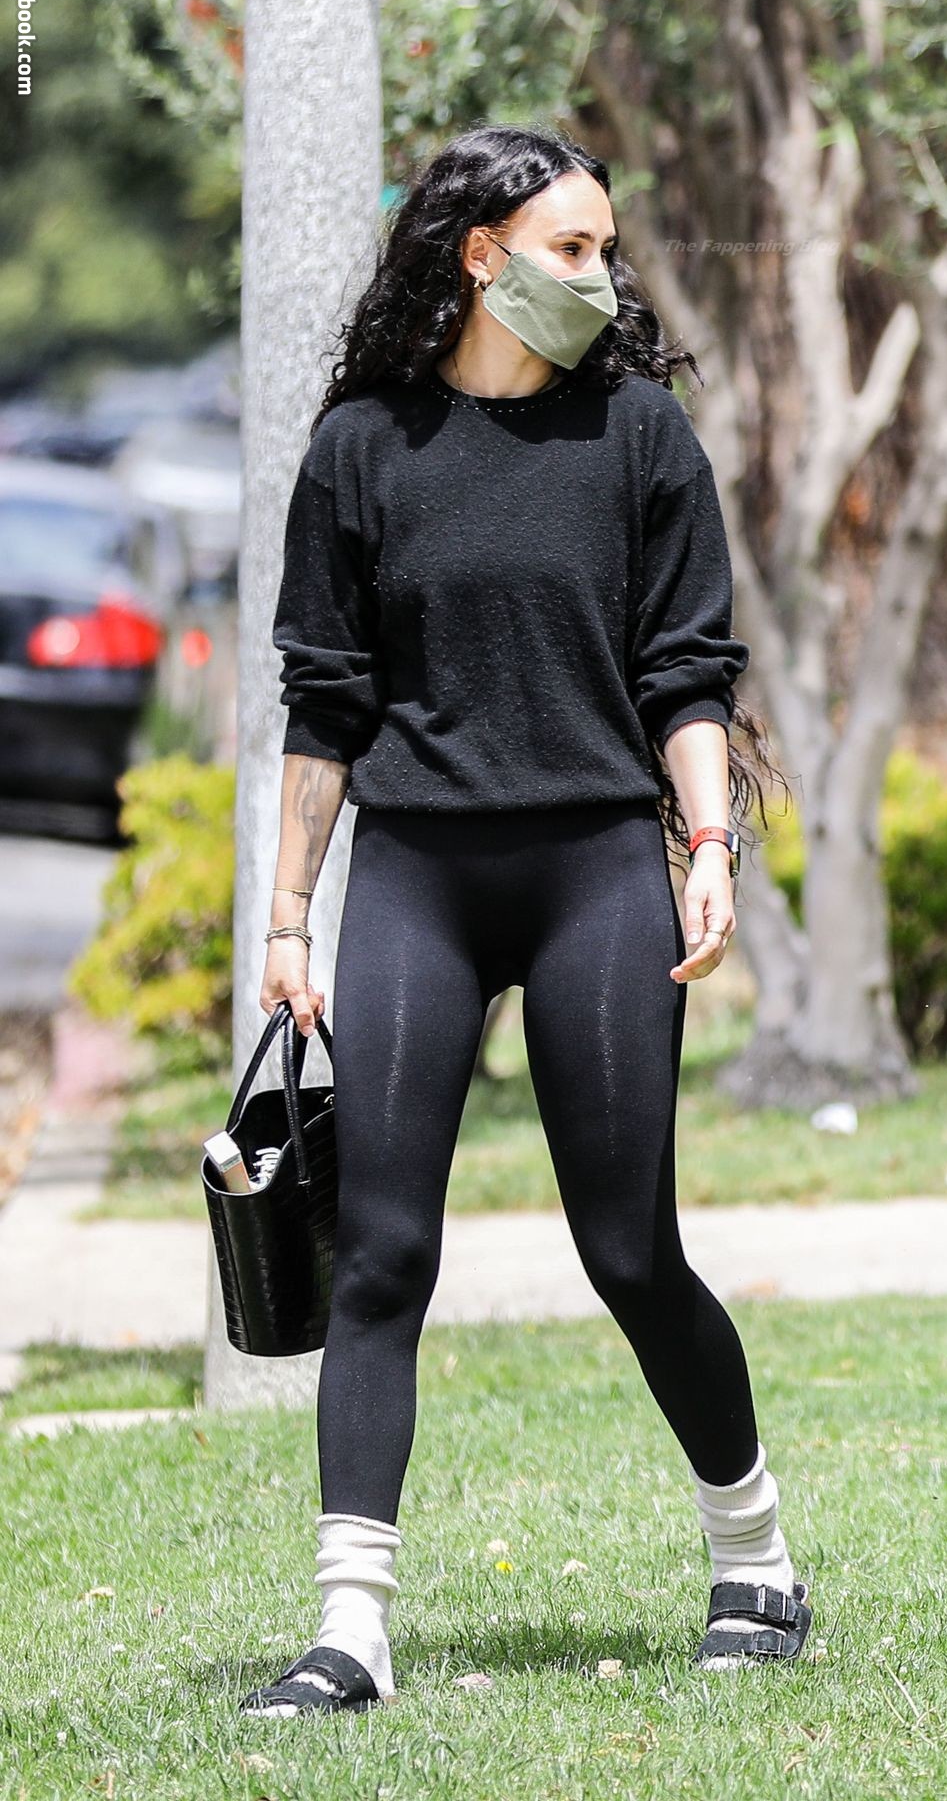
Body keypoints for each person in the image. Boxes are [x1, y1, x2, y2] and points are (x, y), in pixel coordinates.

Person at [240, 125, 812, 1717]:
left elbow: (686, 670)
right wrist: (287, 921)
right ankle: (351, 1628)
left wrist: (708, 844)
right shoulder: (364, 447)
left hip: (594, 874)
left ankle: (757, 1558)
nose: (601, 275)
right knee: (381, 1253)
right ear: (478, 253)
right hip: (417, 878)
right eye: (572, 249)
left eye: (605, 248)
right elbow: (324, 702)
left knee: (628, 1247)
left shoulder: (640, 435)